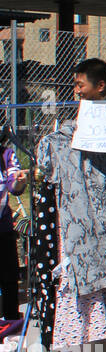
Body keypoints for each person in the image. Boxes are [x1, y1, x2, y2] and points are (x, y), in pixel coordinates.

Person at [0, 131, 27, 322]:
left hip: (3, 227)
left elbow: (14, 186)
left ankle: (10, 324)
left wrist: (18, 181)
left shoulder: (6, 154)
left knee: (9, 277)